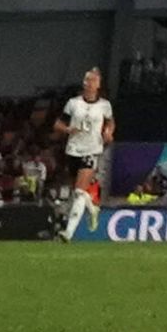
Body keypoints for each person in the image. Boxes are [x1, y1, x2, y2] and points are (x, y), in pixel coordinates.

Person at [55, 67, 114, 241]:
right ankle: (92, 208)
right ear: (84, 83)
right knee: (77, 191)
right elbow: (58, 124)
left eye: (94, 81)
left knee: (80, 191)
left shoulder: (105, 105)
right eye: (88, 80)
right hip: (73, 149)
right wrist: (67, 129)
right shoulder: (73, 103)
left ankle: (68, 232)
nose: (90, 84)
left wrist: (108, 133)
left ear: (98, 85)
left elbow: (111, 123)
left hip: (92, 149)